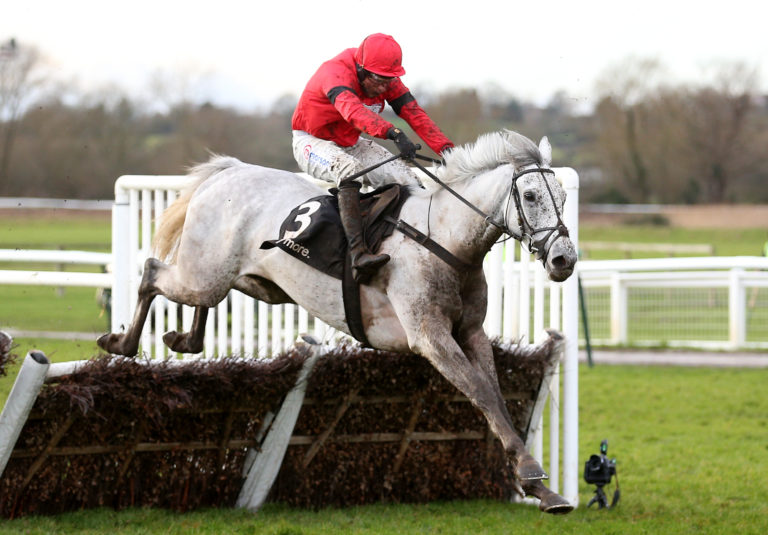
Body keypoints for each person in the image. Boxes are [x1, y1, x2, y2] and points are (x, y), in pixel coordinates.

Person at [291, 33, 454, 282]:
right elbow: (354, 111)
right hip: (312, 142)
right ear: (360, 68)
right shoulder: (334, 73)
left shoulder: (385, 78)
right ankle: (358, 253)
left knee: (406, 179)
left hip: (350, 142)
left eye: (390, 80)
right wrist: (393, 132)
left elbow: (414, 113)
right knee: (348, 169)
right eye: (379, 80)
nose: (384, 88)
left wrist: (446, 150)